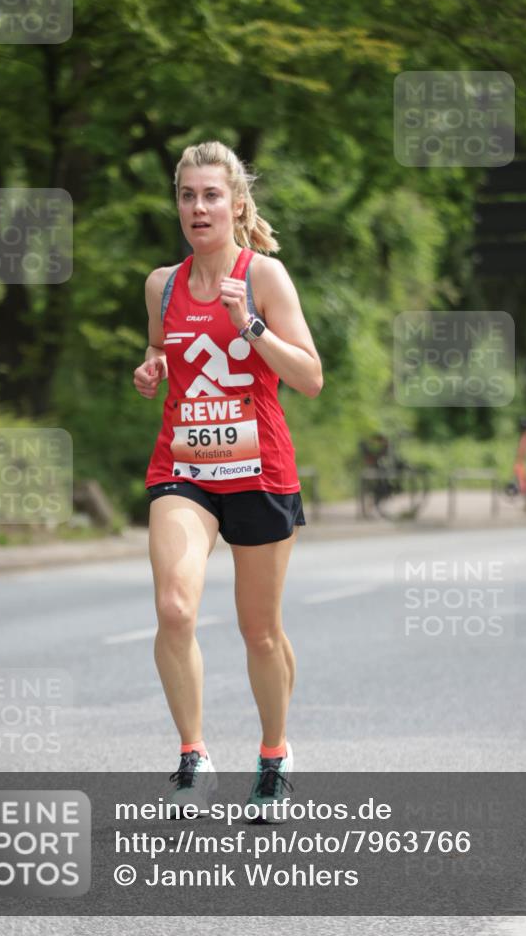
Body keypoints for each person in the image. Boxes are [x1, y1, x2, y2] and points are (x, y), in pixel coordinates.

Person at [133, 141, 323, 816]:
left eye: (211, 195)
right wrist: (152, 364)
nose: (197, 208)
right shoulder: (162, 284)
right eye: (186, 196)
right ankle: (193, 756)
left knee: (259, 632)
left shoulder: (265, 277)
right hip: (183, 468)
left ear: (236, 205)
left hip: (259, 470)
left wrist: (250, 326)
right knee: (174, 608)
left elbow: (308, 376)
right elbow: (162, 347)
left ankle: (273, 757)